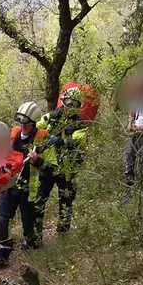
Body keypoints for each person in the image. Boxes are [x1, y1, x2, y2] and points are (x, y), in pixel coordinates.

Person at [0, 102, 53, 270]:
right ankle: (2, 255)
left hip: (29, 190)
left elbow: (52, 168)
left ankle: (33, 243)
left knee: (28, 225)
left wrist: (38, 161)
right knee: (3, 220)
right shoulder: (12, 135)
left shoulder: (43, 138)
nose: (23, 126)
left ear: (34, 123)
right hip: (9, 186)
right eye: (21, 123)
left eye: (27, 124)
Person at [35, 87, 89, 233]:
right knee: (40, 197)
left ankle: (63, 231)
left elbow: (77, 142)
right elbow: (38, 125)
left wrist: (59, 140)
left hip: (67, 168)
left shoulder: (80, 124)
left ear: (78, 106)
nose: (69, 106)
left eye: (74, 103)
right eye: (67, 102)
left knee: (66, 200)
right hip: (48, 164)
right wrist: (41, 134)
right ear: (63, 101)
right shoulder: (53, 115)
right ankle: (36, 231)